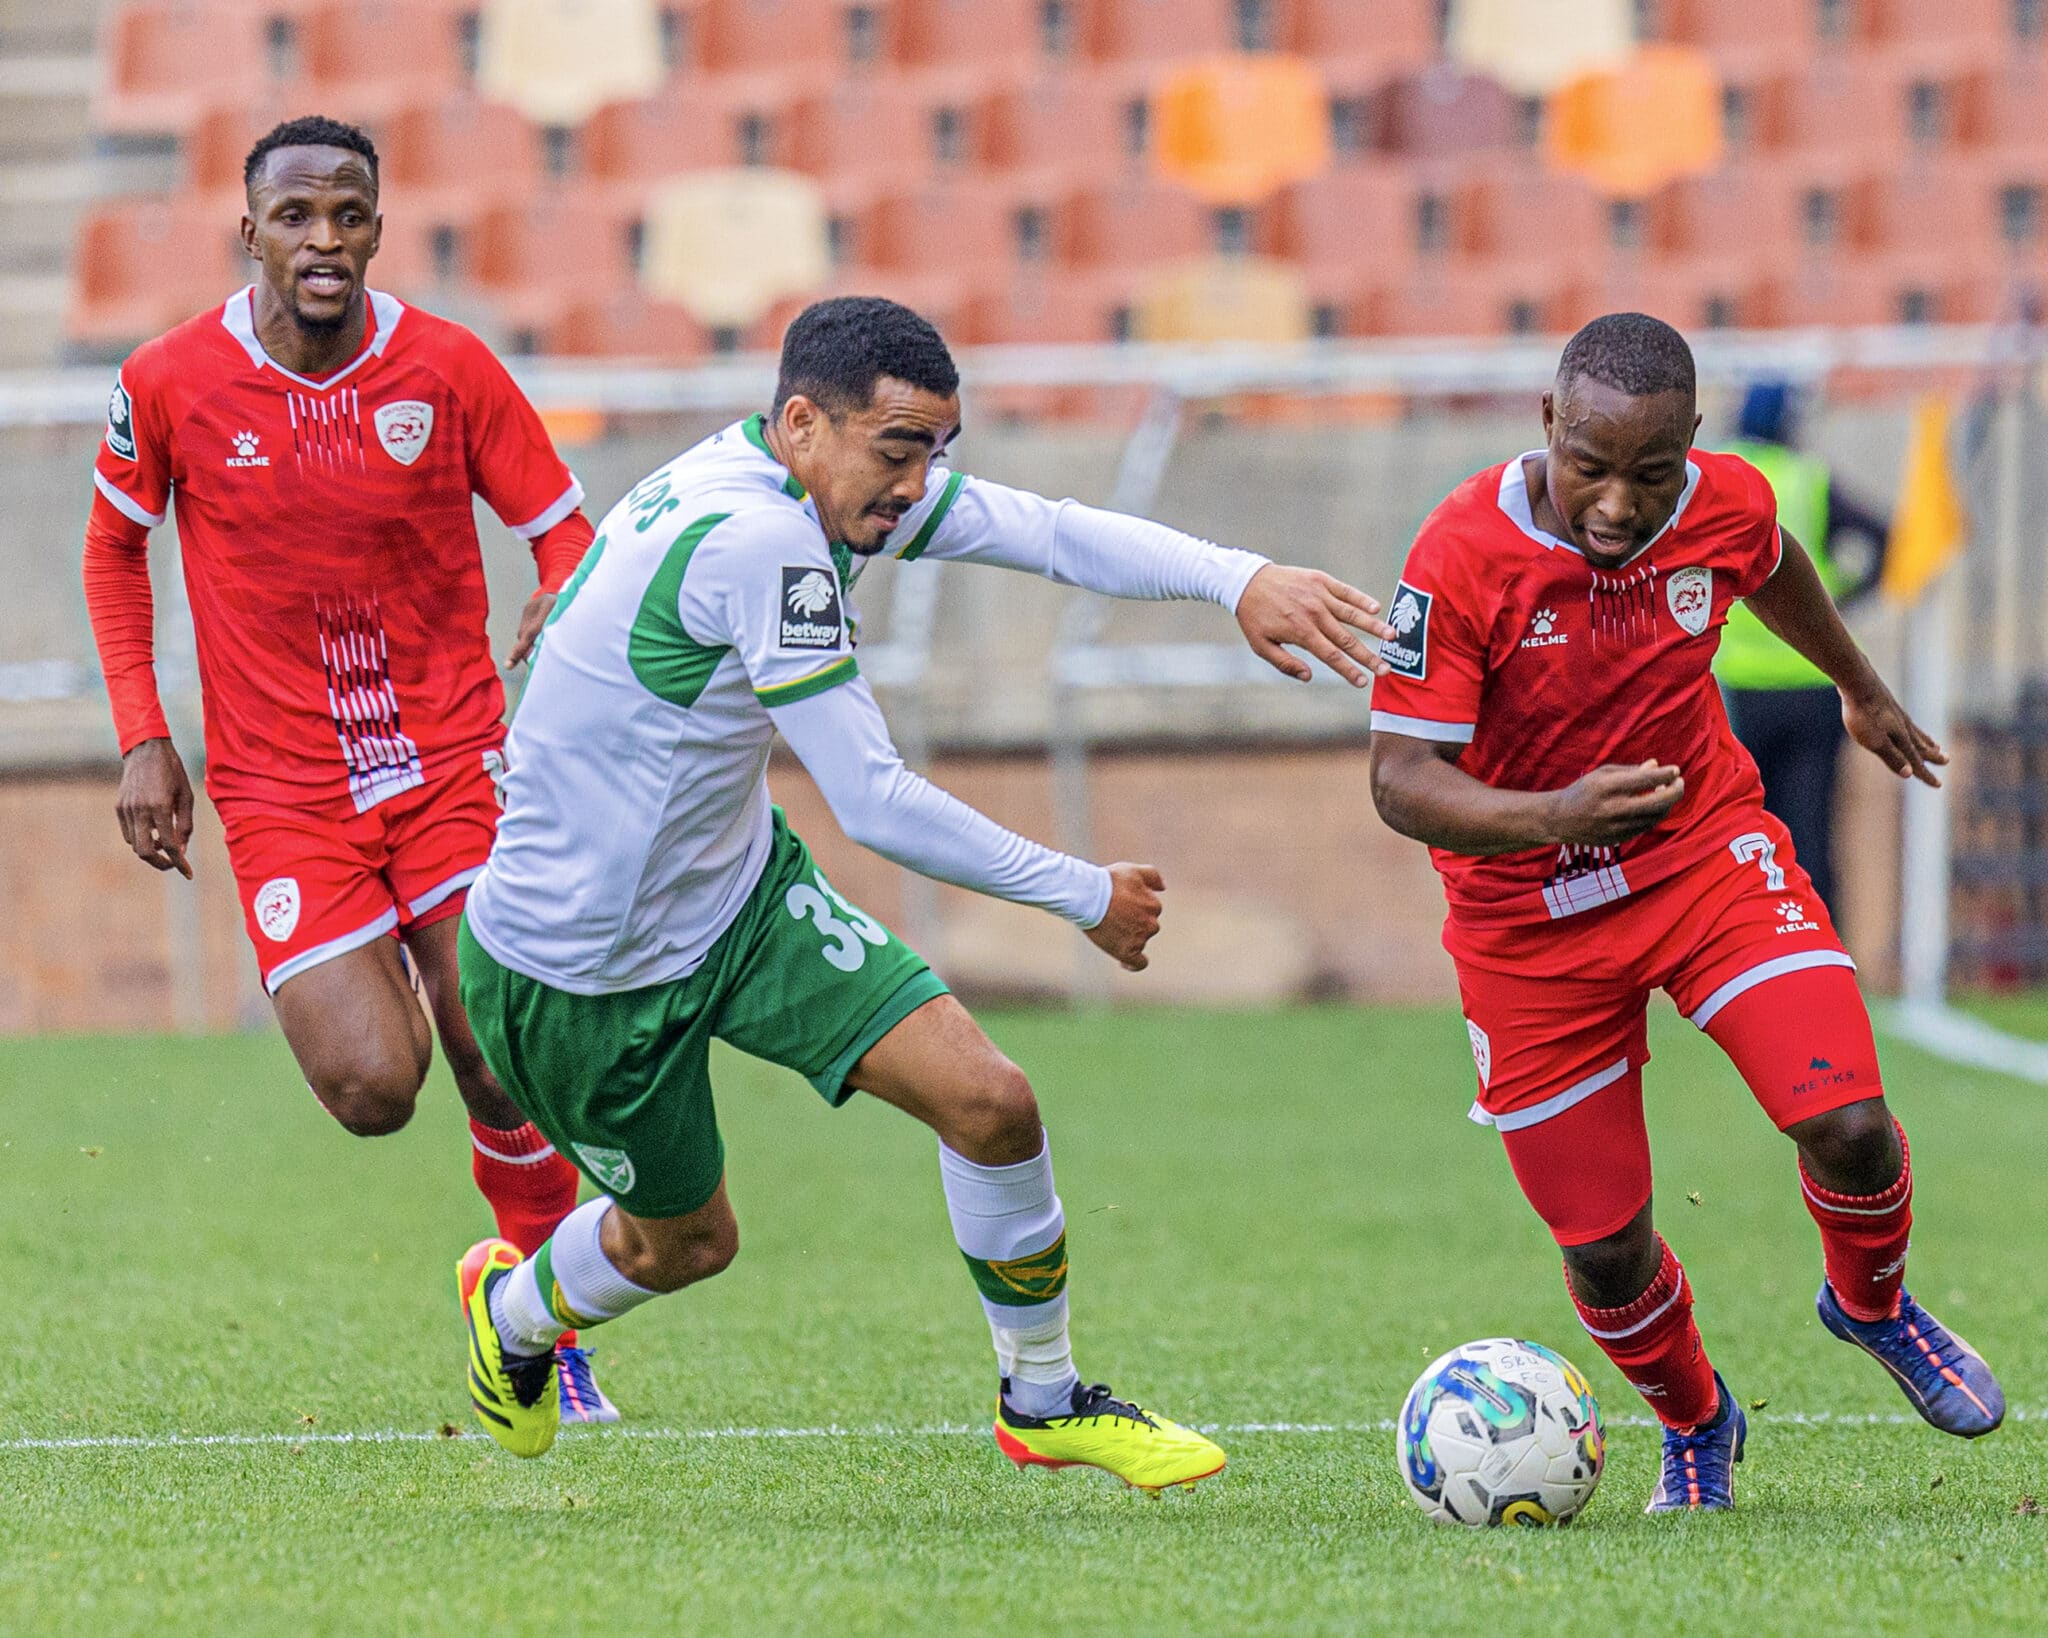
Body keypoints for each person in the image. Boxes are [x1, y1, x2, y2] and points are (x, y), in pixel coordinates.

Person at [452, 295, 1393, 1489]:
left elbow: (1046, 530)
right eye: (897, 451)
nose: (917, 482)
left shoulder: (817, 482)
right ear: (801, 422)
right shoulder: (759, 540)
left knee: (993, 1105)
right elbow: (875, 801)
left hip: (737, 906)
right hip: (574, 972)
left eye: (933, 451)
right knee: (686, 1243)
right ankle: (516, 1315)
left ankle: (1042, 1401)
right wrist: (1079, 892)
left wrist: (1239, 576)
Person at [1366, 313, 2002, 1514]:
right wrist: (1558, 814)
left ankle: (1870, 1305)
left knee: (1850, 1122)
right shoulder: (1457, 554)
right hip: (1524, 927)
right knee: (1604, 1250)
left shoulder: (1725, 500)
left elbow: (1770, 564)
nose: (1615, 504)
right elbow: (1398, 782)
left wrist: (1856, 689)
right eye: (1589, 468)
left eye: (1649, 476)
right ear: (1546, 426)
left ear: (1691, 448)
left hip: (1699, 859)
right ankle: (1697, 1422)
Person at [81, 115, 615, 1419]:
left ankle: (539, 1318)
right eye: (298, 217)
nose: (326, 241)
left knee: (500, 1047)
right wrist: (146, 733)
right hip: (282, 791)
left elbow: (566, 531)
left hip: (448, 764)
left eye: (350, 215)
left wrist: (565, 593)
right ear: (249, 233)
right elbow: (111, 549)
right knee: (377, 1087)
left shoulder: (446, 367)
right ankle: (510, 1257)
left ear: (379, 225)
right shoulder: (168, 381)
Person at [1714, 379, 1890, 912]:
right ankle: (1824, 950)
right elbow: (1884, 537)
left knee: (1738, 831)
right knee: (1811, 830)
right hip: (1816, 685)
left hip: (1737, 691)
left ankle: (1750, 949)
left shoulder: (1714, 479)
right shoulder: (1810, 478)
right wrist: (1836, 602)